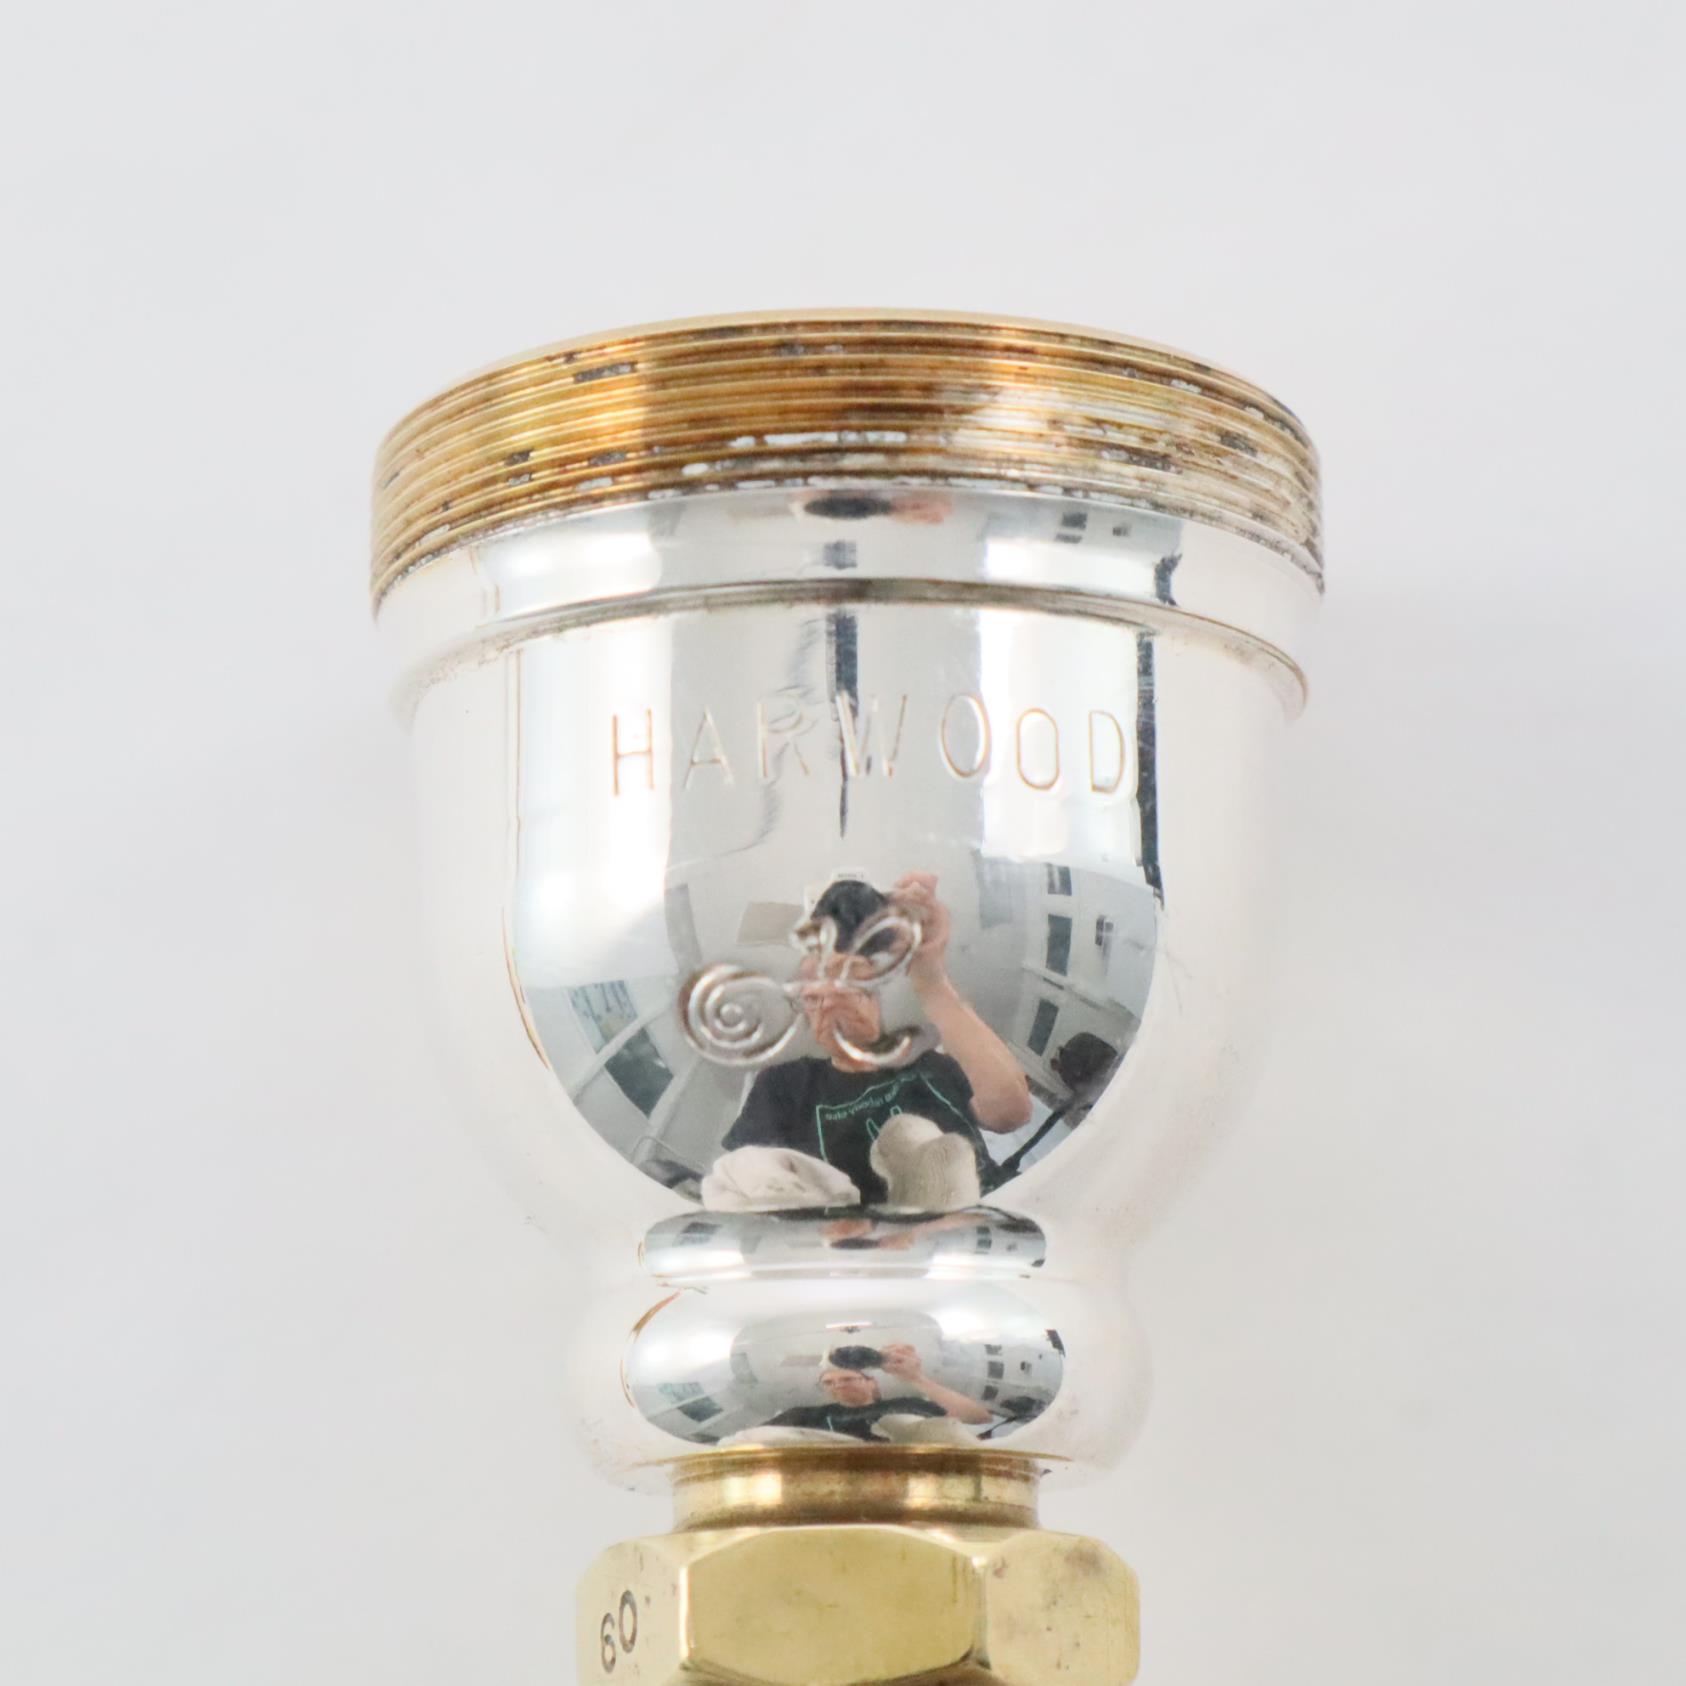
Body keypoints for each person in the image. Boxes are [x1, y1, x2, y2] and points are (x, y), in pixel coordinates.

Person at [718, 872, 1033, 1206]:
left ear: (874, 998)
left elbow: (1011, 1113)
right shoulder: (784, 1085)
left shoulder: (927, 1063)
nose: (830, 997)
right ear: (803, 1014)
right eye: (812, 994)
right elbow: (743, 1183)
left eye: (848, 980)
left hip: (986, 1217)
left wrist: (931, 978)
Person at [762, 1342, 992, 1441]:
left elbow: (977, 1418)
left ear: (871, 1382)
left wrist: (915, 1378)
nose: (838, 1385)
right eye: (829, 1383)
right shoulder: (805, 1415)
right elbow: (753, 1440)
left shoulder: (906, 1405)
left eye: (847, 1378)